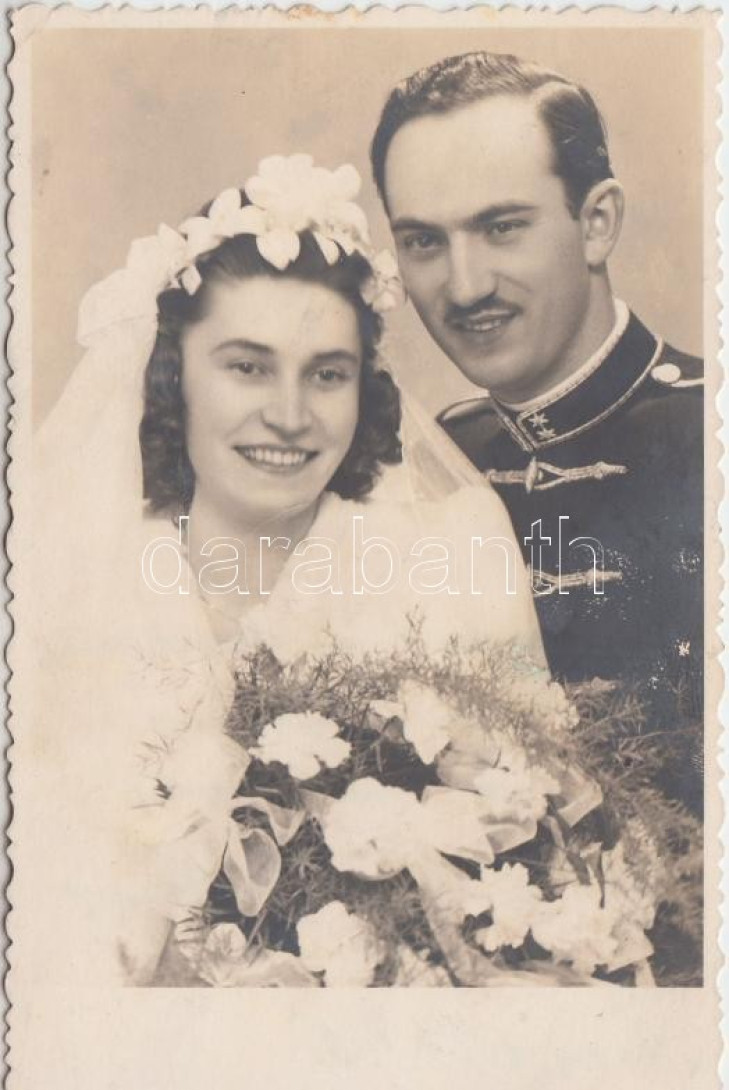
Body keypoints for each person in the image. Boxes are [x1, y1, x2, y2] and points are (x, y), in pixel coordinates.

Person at [31, 155, 545, 987]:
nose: (290, 414)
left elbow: (524, 842)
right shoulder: (67, 561)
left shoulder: (450, 552)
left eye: (327, 374)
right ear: (174, 376)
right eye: (246, 365)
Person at [370, 50, 703, 802]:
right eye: (423, 240)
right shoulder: (424, 460)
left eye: (500, 227)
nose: (464, 285)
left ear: (596, 223)